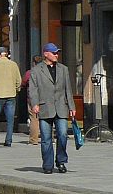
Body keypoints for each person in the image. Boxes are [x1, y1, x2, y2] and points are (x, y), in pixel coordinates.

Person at [27, 43, 76, 174]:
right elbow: (33, 89)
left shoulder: (63, 69)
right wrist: (35, 104)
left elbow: (68, 89)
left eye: (57, 53)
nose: (56, 55)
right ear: (46, 54)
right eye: (54, 53)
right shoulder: (37, 70)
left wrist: (72, 106)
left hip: (61, 106)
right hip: (45, 107)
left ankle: (61, 161)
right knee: (46, 138)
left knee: (63, 134)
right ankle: (48, 165)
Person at [0, 47, 23, 147]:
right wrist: (16, 89)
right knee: (10, 119)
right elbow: (18, 80)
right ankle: (8, 140)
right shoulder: (13, 64)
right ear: (7, 54)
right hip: (11, 94)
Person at [21, 55, 43, 145]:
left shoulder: (29, 73)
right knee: (47, 117)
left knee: (34, 118)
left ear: (34, 63)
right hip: (45, 96)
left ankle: (34, 139)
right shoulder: (45, 72)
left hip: (33, 97)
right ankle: (50, 137)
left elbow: (23, 83)